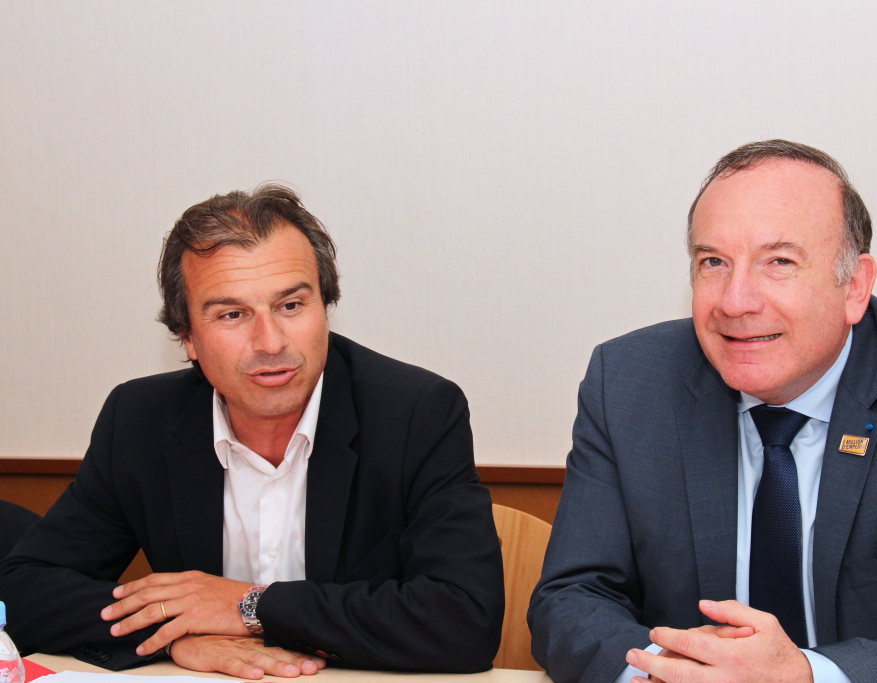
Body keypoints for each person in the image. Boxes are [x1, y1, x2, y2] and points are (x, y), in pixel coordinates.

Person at [528, 140, 877, 683]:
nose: (736, 301)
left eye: (779, 262)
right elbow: (571, 597)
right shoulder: (626, 382)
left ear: (854, 286)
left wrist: (808, 676)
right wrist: (656, 675)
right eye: (713, 262)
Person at [0, 185, 504, 678]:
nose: (270, 341)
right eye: (233, 314)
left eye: (290, 306)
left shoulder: (415, 412)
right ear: (187, 336)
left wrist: (248, 607)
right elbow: (23, 590)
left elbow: (462, 620)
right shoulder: (140, 419)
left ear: (325, 307)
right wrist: (180, 632)